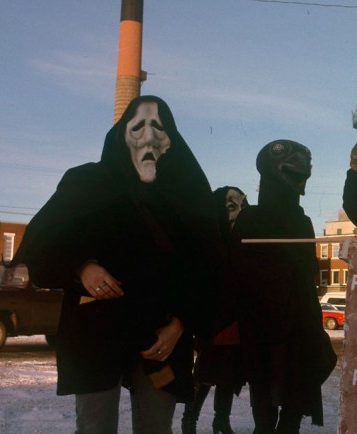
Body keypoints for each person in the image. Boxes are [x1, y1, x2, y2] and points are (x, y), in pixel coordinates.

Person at [14, 95, 223, 433]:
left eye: (158, 126)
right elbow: (40, 247)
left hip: (160, 336)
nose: (149, 137)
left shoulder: (188, 193)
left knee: (156, 427)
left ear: (171, 139)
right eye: (137, 126)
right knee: (95, 427)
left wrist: (180, 325)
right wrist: (81, 268)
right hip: (97, 330)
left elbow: (206, 267)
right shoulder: (87, 183)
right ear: (120, 135)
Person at [231, 140, 336, 433]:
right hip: (261, 328)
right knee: (264, 411)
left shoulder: (302, 222)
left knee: (291, 409)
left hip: (296, 326)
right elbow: (236, 271)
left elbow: (309, 272)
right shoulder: (250, 218)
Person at [181, 186, 250, 434]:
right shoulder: (208, 241)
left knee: (230, 372)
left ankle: (221, 419)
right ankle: (189, 420)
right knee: (207, 370)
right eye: (232, 206)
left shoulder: (244, 240)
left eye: (242, 205)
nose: (239, 212)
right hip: (212, 317)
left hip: (237, 316)